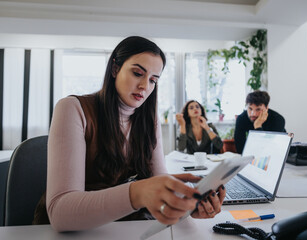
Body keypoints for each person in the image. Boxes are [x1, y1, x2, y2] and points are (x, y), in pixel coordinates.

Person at [34, 36, 225, 231]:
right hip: (73, 232)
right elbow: (60, 213)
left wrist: (186, 206)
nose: (145, 86)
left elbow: (159, 188)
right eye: (137, 73)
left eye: (153, 80)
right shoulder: (73, 108)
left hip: (124, 228)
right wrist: (138, 192)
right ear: (115, 69)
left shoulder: (149, 121)